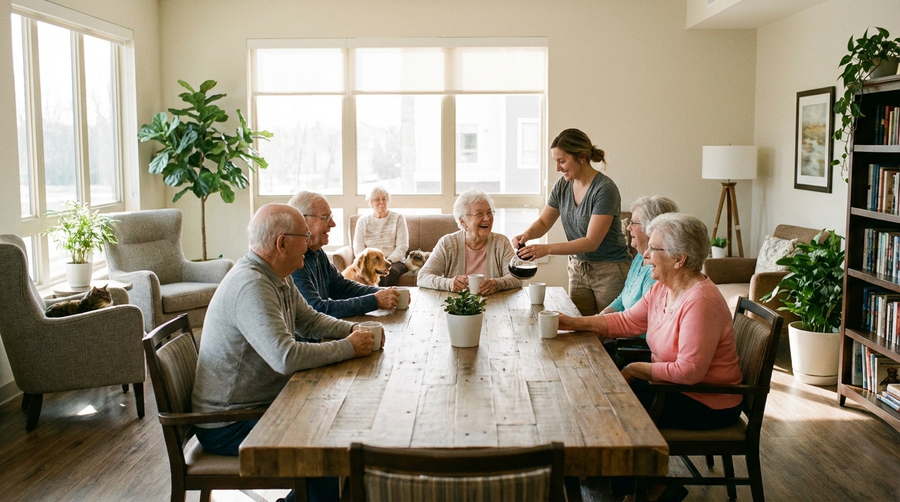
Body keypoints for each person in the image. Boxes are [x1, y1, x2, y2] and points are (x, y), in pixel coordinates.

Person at [192, 203, 380, 502]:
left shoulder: (277, 274)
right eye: (304, 237)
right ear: (282, 243)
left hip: (260, 403)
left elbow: (309, 319)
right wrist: (348, 348)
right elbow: (286, 357)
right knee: (326, 449)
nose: (309, 244)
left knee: (341, 420)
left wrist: (349, 331)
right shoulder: (251, 284)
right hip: (229, 423)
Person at [556, 213, 741, 502]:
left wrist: (635, 369)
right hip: (677, 389)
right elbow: (626, 322)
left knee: (615, 406)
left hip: (706, 400)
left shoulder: (700, 301)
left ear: (679, 259)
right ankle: (635, 484)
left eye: (654, 249)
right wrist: (572, 322)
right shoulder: (662, 289)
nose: (644, 254)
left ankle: (643, 489)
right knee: (606, 398)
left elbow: (689, 372)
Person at [513, 128, 632, 316]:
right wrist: (526, 234)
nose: (558, 168)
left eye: (562, 161)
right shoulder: (562, 185)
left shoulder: (605, 189)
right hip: (578, 268)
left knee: (609, 333)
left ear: (582, 156)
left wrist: (547, 249)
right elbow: (544, 222)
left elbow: (591, 242)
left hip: (610, 270)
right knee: (580, 331)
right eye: (556, 161)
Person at [288, 191, 399, 318]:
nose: (333, 223)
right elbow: (317, 310)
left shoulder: (316, 252)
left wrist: (383, 293)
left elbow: (341, 287)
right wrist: (375, 301)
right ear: (302, 220)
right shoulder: (294, 260)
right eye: (326, 218)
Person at [417, 189, 522, 295]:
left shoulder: (501, 243)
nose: (487, 218)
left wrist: (497, 283)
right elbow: (423, 277)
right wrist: (449, 283)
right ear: (463, 222)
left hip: (497, 305)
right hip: (458, 307)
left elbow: (516, 278)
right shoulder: (447, 243)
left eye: (489, 212)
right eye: (479, 214)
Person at [353, 186, 409, 286]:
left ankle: (385, 300)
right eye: (377, 199)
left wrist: (387, 262)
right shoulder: (363, 221)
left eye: (384, 199)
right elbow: (358, 249)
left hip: (394, 261)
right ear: (370, 202)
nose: (381, 202)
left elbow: (402, 246)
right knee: (359, 274)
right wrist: (371, 264)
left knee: (387, 274)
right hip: (371, 262)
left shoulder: (398, 218)